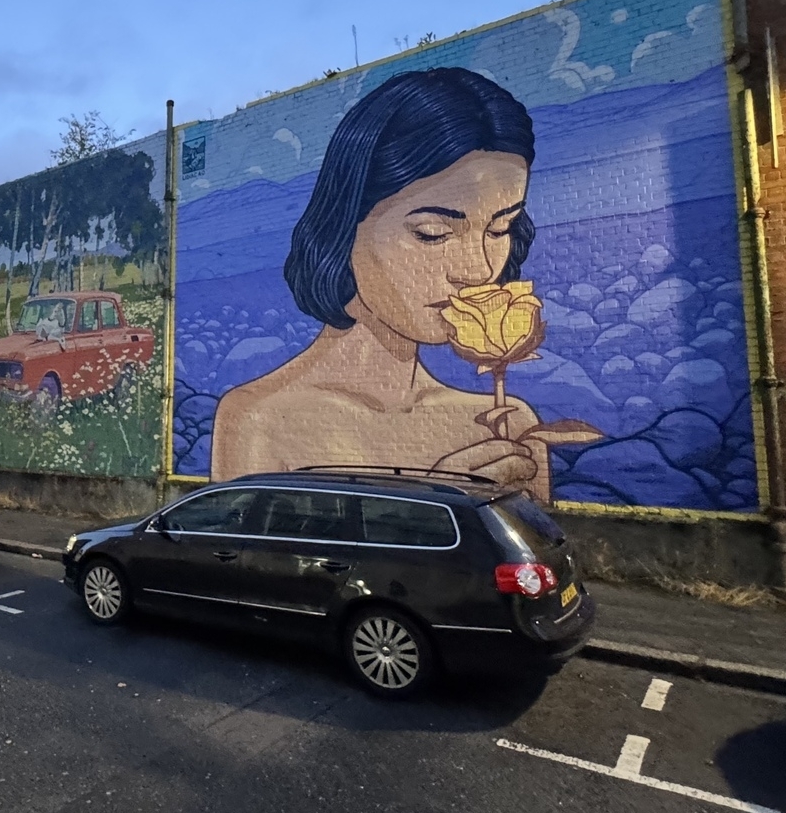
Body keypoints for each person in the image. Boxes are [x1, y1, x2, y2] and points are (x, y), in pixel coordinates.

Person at [210, 67, 550, 494]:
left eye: (500, 229)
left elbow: (529, 558)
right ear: (346, 225)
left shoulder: (510, 425)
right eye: (433, 233)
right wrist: (438, 502)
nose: (479, 270)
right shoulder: (260, 418)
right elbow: (263, 558)